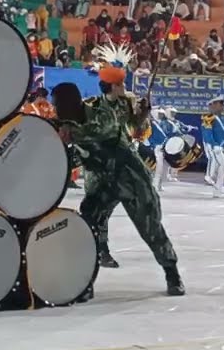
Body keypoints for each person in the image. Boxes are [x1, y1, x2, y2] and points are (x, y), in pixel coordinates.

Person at [53, 44, 184, 298]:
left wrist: (142, 114)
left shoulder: (100, 114)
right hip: (102, 181)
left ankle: (172, 272)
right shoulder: (71, 119)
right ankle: (86, 281)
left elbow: (102, 129)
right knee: (88, 226)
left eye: (58, 105)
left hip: (129, 177)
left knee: (150, 226)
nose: (56, 109)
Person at [200, 96, 224, 197]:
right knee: (221, 164)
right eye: (221, 105)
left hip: (220, 146)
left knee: (223, 165)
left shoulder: (223, 118)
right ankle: (210, 178)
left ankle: (218, 187)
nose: (223, 107)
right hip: (212, 146)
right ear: (215, 105)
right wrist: (214, 145)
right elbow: (207, 133)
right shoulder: (209, 118)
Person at [147, 108, 172, 191]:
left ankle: (157, 185)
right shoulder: (151, 124)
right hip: (156, 148)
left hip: (159, 147)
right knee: (157, 168)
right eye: (159, 114)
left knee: (159, 168)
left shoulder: (155, 123)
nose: (161, 116)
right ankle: (155, 185)